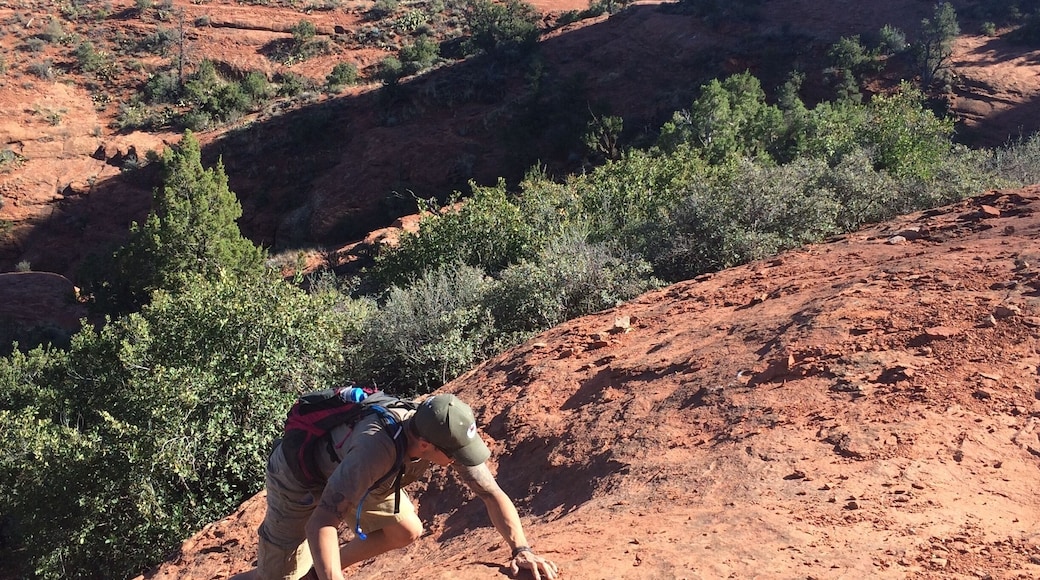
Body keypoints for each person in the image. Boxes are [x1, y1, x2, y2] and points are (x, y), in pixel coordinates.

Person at [232, 393, 559, 580]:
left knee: (404, 531)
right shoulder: (378, 449)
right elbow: (323, 520)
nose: (462, 460)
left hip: (368, 477)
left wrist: (522, 549)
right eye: (455, 454)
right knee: (277, 579)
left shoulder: (436, 432)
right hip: (300, 479)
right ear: (427, 446)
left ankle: (317, 570)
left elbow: (491, 493)